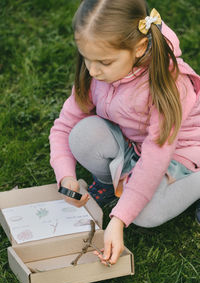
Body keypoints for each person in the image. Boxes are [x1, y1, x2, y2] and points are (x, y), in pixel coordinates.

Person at [49, 0, 200, 266]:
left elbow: (156, 157)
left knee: (145, 214)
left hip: (182, 151)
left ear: (139, 48)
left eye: (104, 62)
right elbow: (64, 125)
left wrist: (119, 220)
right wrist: (66, 176)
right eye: (86, 58)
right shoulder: (96, 73)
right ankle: (112, 184)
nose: (93, 70)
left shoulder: (167, 83)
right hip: (139, 144)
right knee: (82, 134)